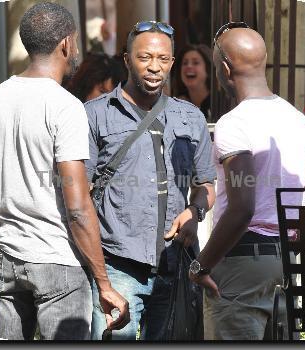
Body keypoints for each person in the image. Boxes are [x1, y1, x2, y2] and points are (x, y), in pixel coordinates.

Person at [0, 2, 129, 340]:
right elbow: (76, 207)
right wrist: (104, 282)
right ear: (66, 43)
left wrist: (8, 235)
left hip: (7, 257)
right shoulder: (66, 106)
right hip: (57, 262)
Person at [188, 23, 305, 340]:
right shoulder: (296, 118)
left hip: (239, 261)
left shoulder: (233, 123)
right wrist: (289, 244)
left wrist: (201, 265)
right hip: (282, 262)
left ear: (224, 69)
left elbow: (242, 208)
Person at [84, 20, 216, 340]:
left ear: (171, 62)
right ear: (127, 60)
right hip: (117, 266)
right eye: (145, 58)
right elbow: (78, 196)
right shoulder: (94, 114)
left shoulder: (190, 116)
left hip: (174, 264)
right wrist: (99, 276)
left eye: (163, 59)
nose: (154, 67)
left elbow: (206, 185)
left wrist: (194, 211)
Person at [175, 44, 212, 121]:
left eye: (195, 63)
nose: (189, 66)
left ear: (208, 70)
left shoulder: (218, 104)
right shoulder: (176, 105)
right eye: (185, 63)